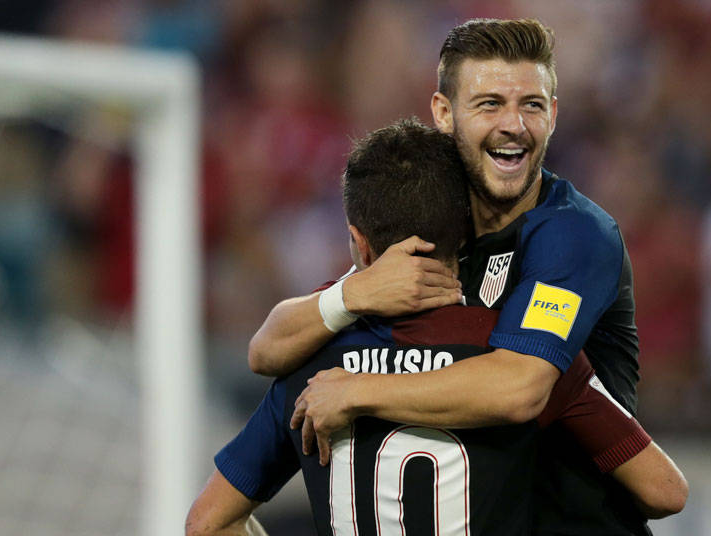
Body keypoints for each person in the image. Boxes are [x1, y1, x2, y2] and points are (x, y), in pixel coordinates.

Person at [247, 19, 675, 535]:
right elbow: (266, 350)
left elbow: (520, 388)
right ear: (444, 114)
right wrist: (351, 292)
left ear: (554, 115)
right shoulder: (435, 224)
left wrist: (360, 391)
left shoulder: (574, 235)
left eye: (532, 105)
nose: (514, 124)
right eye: (490, 103)